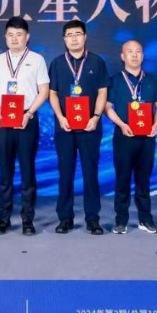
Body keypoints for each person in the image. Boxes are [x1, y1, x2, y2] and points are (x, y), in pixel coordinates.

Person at [0, 16, 50, 236]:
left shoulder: (37, 59)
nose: (14, 38)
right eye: (11, 35)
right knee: (5, 173)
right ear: (5, 37)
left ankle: (27, 220)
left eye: (19, 34)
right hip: (3, 119)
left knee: (27, 171)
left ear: (27, 37)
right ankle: (3, 220)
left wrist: (30, 112)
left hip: (26, 119)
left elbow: (44, 91)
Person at [48, 20, 109, 235]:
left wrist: (96, 116)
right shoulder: (57, 63)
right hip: (64, 127)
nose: (74, 38)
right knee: (65, 173)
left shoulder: (97, 62)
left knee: (90, 173)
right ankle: (65, 219)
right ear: (64, 39)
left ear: (85, 37)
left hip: (90, 127)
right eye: (69, 35)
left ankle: (93, 219)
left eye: (78, 34)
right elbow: (52, 93)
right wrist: (60, 117)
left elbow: (102, 91)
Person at [104, 39, 157, 234]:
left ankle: (145, 219)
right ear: (123, 56)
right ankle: (121, 220)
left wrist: (155, 124)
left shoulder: (151, 80)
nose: (134, 55)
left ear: (143, 55)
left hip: (147, 137)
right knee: (122, 179)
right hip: (124, 135)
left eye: (138, 51)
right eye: (130, 51)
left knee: (143, 179)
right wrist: (122, 125)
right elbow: (107, 107)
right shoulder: (114, 80)